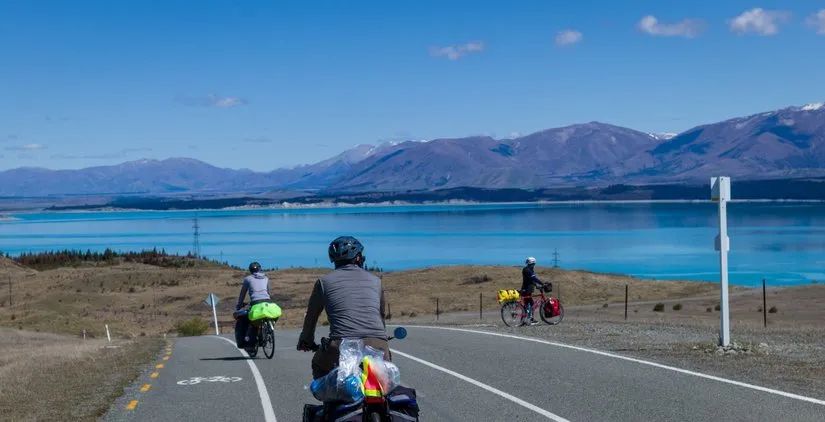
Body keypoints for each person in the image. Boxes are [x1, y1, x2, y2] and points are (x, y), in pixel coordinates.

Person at [297, 236, 389, 379]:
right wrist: (381, 337)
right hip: (378, 346)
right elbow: (380, 315)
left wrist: (306, 340)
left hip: (341, 347)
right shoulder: (376, 281)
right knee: (384, 379)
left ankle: (329, 394)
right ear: (358, 258)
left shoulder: (323, 282)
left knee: (318, 365)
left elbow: (311, 316)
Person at [236, 261, 271, 343]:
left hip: (255, 302)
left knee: (251, 318)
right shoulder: (266, 278)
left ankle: (250, 336)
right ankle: (269, 329)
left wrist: (239, 305)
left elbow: (242, 294)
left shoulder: (247, 279)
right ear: (260, 269)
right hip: (267, 301)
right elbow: (268, 292)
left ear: (250, 270)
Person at [521, 256, 549, 325]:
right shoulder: (528, 270)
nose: (534, 265)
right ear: (532, 263)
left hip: (527, 289)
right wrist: (542, 284)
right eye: (534, 264)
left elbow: (530, 280)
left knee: (528, 305)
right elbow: (534, 278)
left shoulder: (527, 269)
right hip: (527, 290)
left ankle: (525, 320)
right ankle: (530, 320)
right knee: (530, 304)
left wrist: (536, 285)